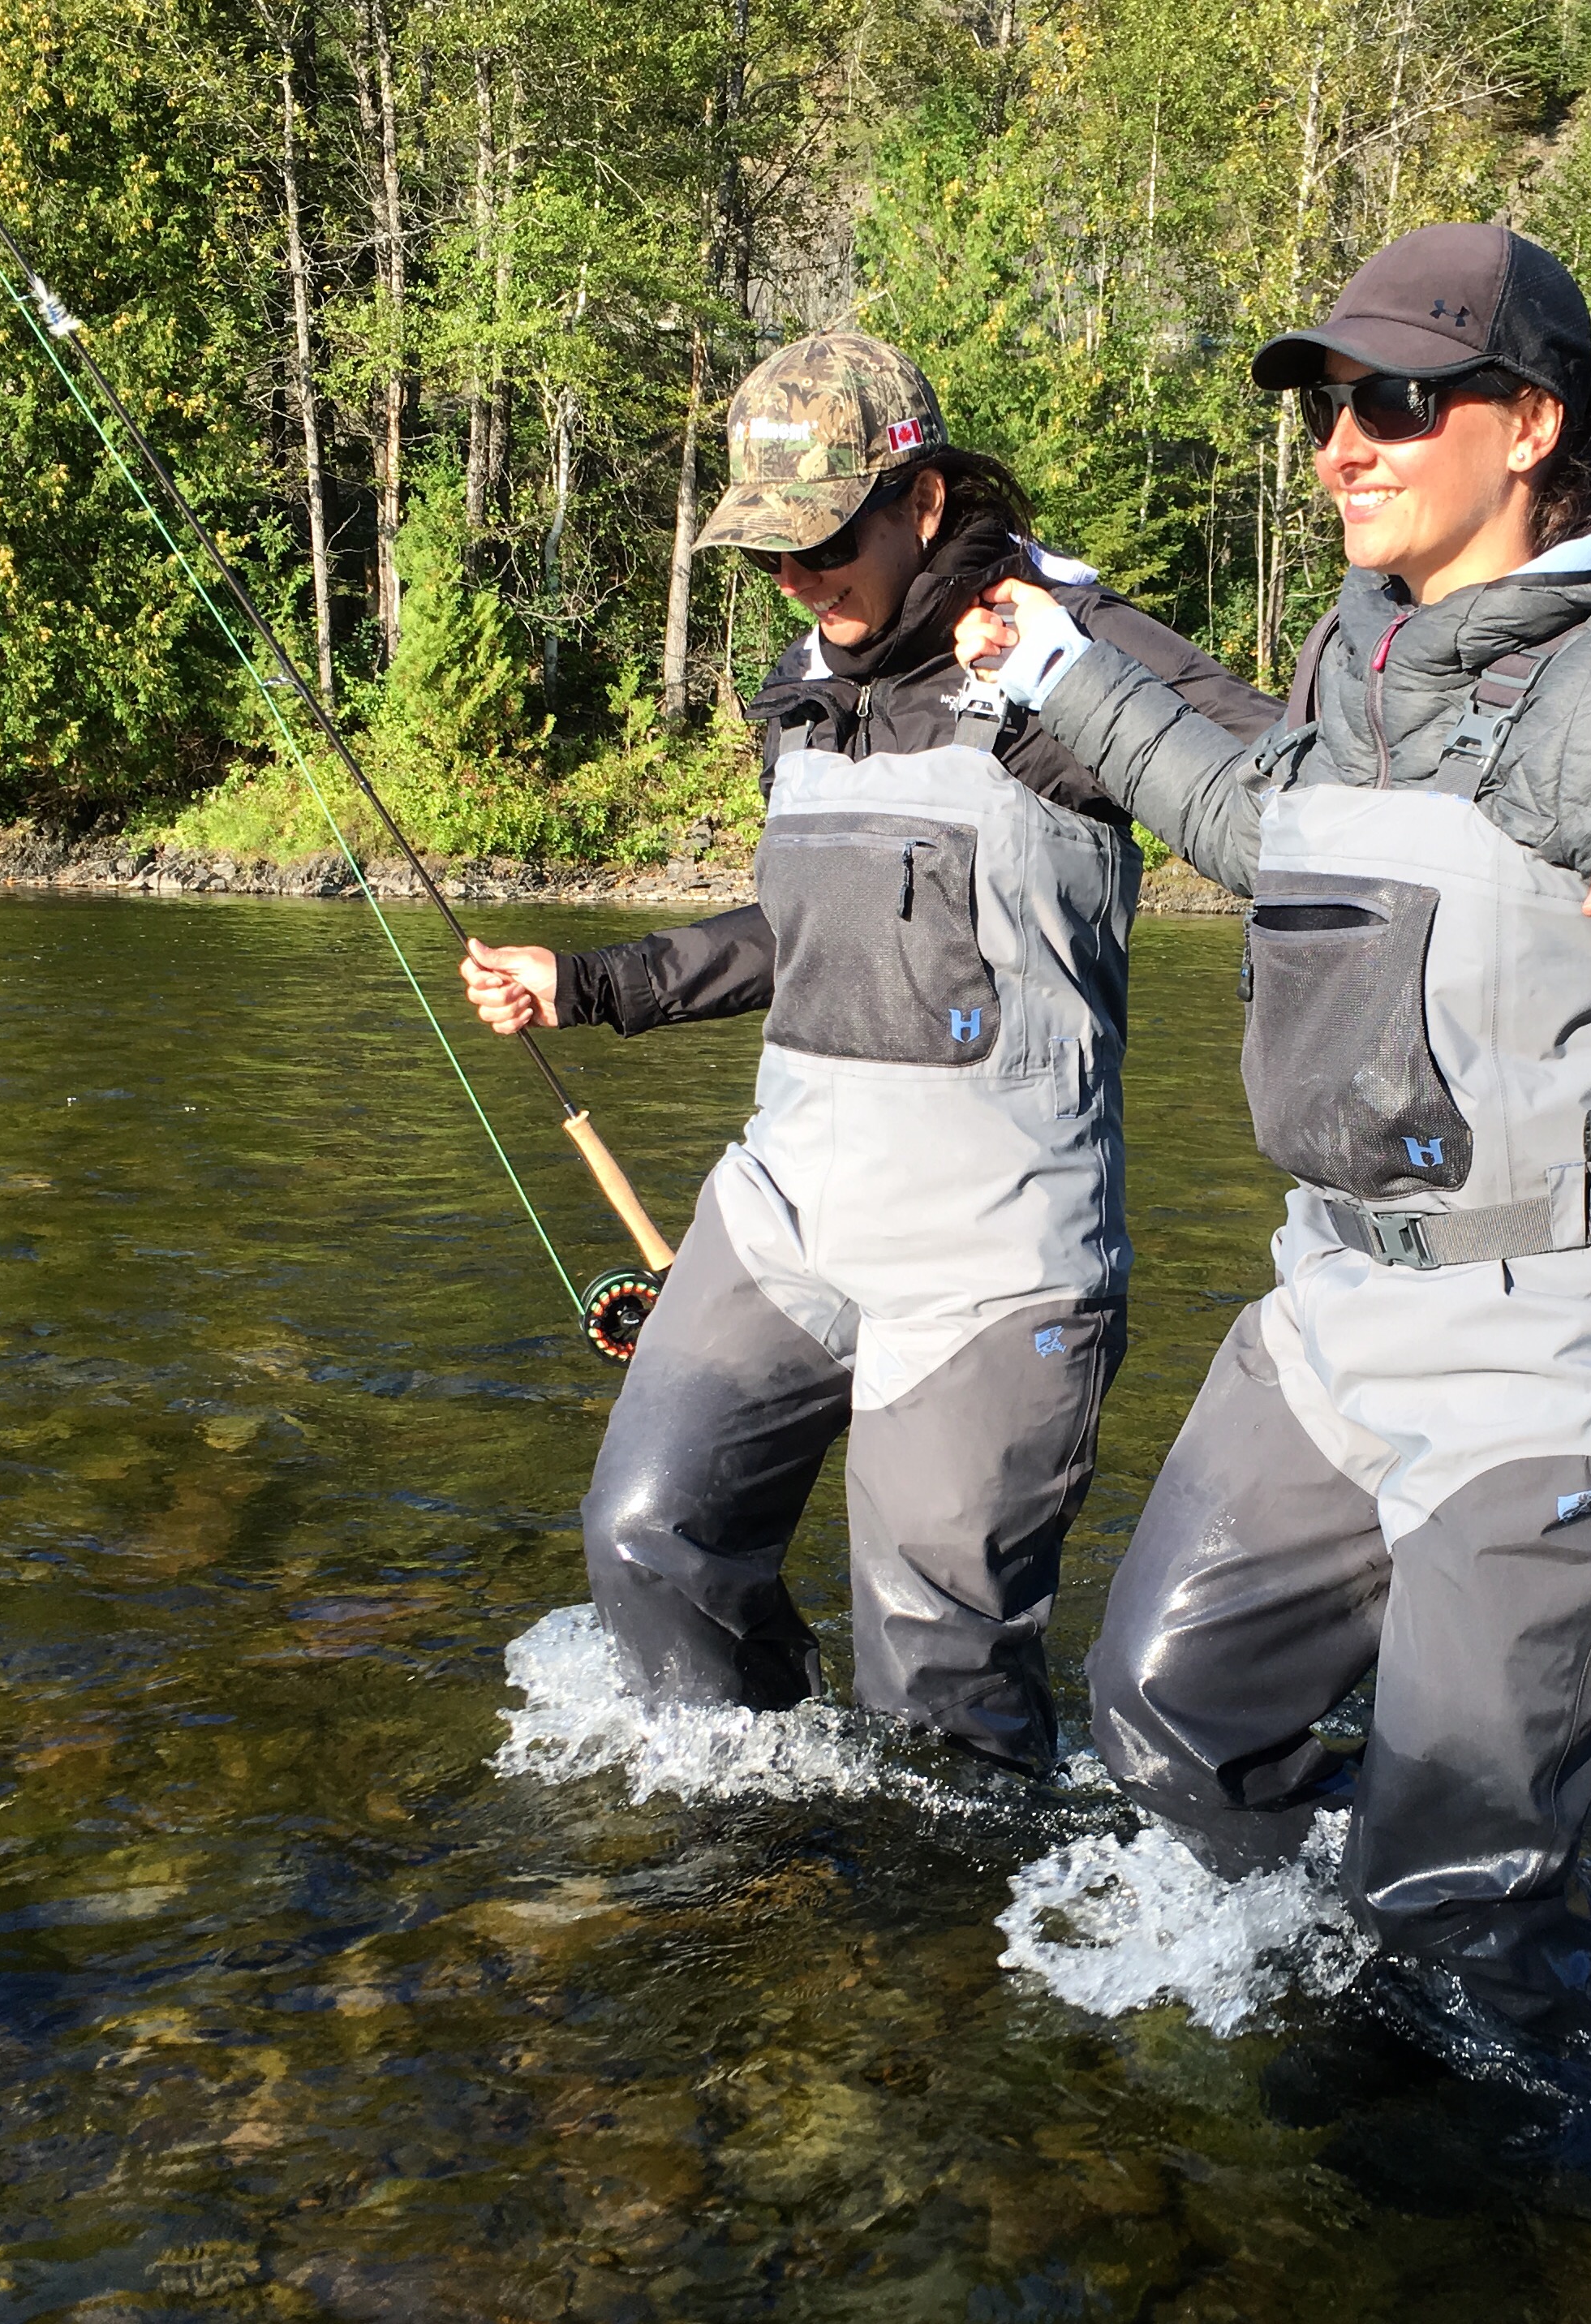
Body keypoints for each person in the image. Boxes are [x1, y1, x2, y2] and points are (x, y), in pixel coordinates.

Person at [955, 225, 1591, 2046]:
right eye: (1326, 408)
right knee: (1161, 1713)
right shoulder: (1359, 647)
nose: (1342, 448)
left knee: (1451, 1893)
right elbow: (1257, 815)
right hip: (1340, 1316)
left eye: (1393, 403)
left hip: (1565, 1353)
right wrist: (1060, 677)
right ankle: (1357, 1972)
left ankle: (1515, 2110)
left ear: (1527, 424)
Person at [462, 330, 1274, 1774]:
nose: (800, 581)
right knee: (651, 1543)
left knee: (935, 1684)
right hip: (785, 1216)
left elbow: (1304, 820)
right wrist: (585, 983)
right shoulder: (805, 687)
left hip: (995, 1256)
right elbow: (808, 927)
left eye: (825, 540)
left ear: (924, 502)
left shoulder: (1064, 647)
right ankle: (761, 1884)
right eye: (769, 554)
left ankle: (945, 1964)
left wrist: (1075, 682)